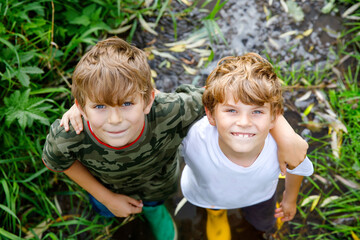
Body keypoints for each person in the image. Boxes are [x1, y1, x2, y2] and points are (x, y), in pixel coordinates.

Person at [43, 36, 308, 240]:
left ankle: (155, 211)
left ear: (148, 100)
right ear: (80, 105)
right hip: (105, 187)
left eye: (126, 104)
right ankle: (109, 211)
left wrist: (284, 130)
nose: (114, 120)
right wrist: (106, 197)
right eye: (99, 106)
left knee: (155, 202)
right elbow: (57, 160)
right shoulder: (70, 133)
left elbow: (228, 95)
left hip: (159, 185)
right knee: (106, 209)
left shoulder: (171, 110)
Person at [180, 53, 314, 240]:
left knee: (264, 224)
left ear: (273, 118)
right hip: (212, 197)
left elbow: (297, 166)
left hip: (260, 196)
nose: (244, 122)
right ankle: (217, 215)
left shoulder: (282, 146)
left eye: (257, 111)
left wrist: (289, 199)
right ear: (210, 115)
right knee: (216, 214)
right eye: (231, 110)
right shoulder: (193, 137)